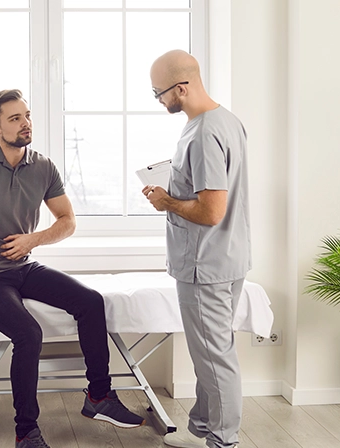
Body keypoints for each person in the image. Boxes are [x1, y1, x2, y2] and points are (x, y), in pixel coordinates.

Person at [0, 89, 145, 448]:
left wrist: (32, 241)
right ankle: (26, 432)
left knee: (91, 301)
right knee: (28, 333)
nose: (26, 124)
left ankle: (99, 397)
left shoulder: (43, 167)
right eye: (15, 118)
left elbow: (67, 221)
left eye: (28, 116)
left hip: (23, 266)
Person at [145, 50, 251, 448]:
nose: (158, 101)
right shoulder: (225, 121)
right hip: (227, 256)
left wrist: (166, 202)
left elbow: (210, 210)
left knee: (214, 358)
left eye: (159, 93)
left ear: (182, 88)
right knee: (213, 353)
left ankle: (223, 441)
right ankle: (206, 430)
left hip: (205, 264)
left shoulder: (205, 132)